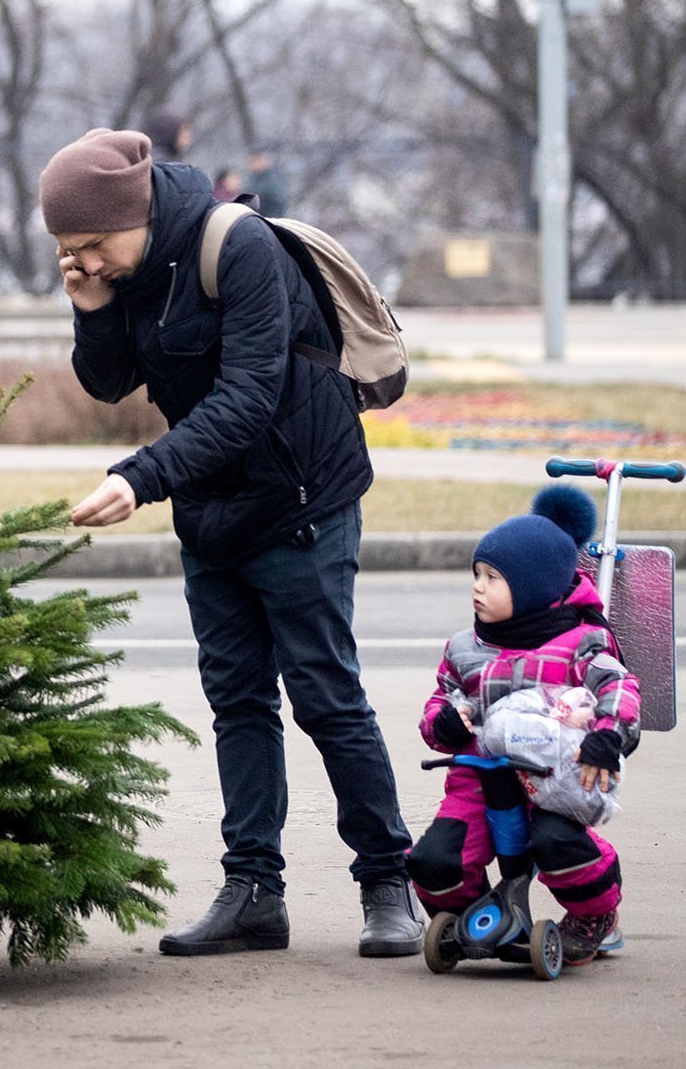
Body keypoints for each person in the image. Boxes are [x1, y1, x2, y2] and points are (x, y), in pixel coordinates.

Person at [39, 126, 424, 958]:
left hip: (301, 497)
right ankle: (253, 891)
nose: (86, 261)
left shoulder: (238, 247)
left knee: (326, 695)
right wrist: (91, 307)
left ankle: (389, 883)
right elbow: (110, 384)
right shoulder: (124, 269)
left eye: (93, 246)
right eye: (68, 253)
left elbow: (250, 396)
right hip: (212, 510)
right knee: (239, 703)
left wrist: (140, 477)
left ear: (133, 213)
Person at [406, 485, 637, 966]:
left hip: (549, 780)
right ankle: (475, 914)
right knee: (433, 860)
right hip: (478, 779)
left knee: (556, 843)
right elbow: (439, 701)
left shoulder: (580, 643)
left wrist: (606, 734)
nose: (478, 586)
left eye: (493, 577)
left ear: (533, 586)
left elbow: (619, 688)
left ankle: (596, 914)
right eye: (477, 573)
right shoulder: (466, 647)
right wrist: (445, 724)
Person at [245, 150, 289, 217]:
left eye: (255, 161)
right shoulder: (253, 178)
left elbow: (278, 201)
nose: (252, 165)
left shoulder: (273, 179)